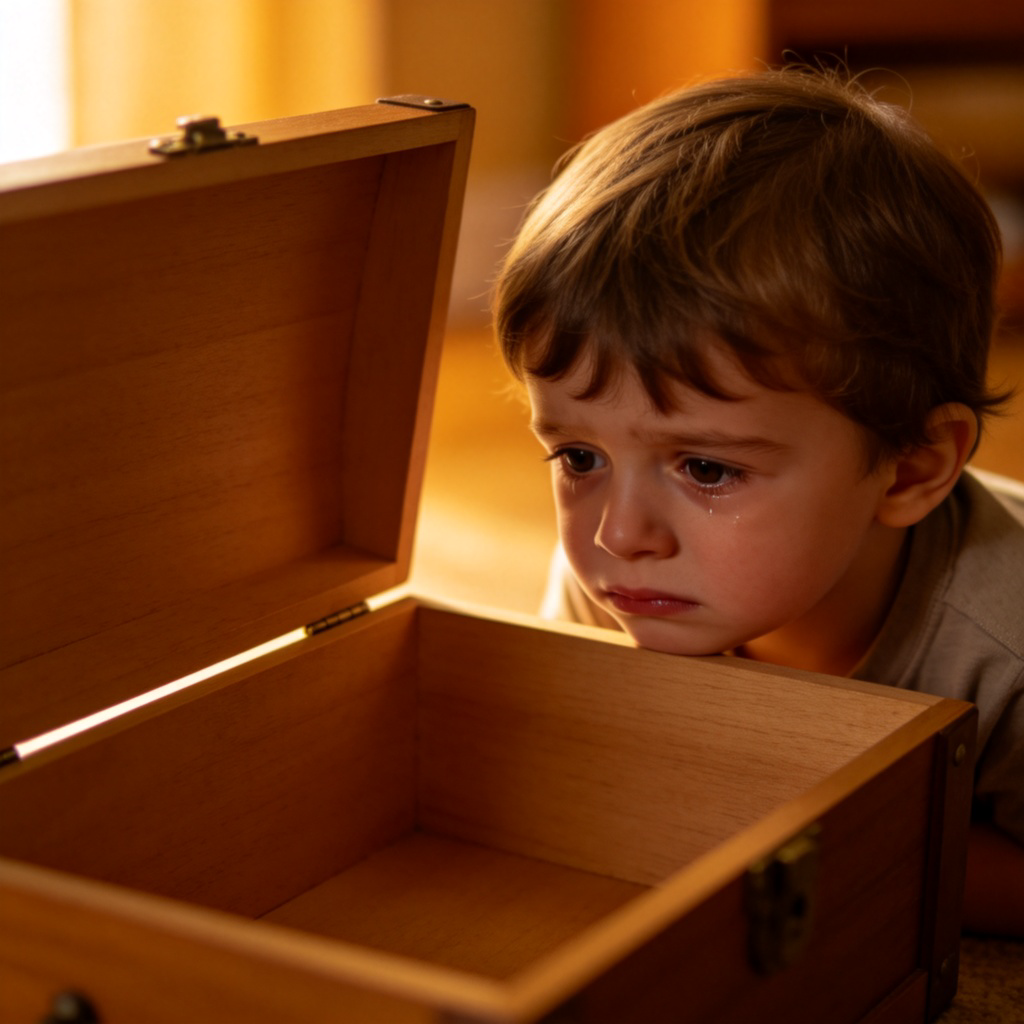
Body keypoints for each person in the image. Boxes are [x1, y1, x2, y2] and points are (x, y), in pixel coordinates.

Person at [492, 66, 1024, 936]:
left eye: (705, 470)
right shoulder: (621, 570)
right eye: (579, 454)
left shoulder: (1007, 653)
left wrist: (817, 844)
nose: (617, 534)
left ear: (911, 470)